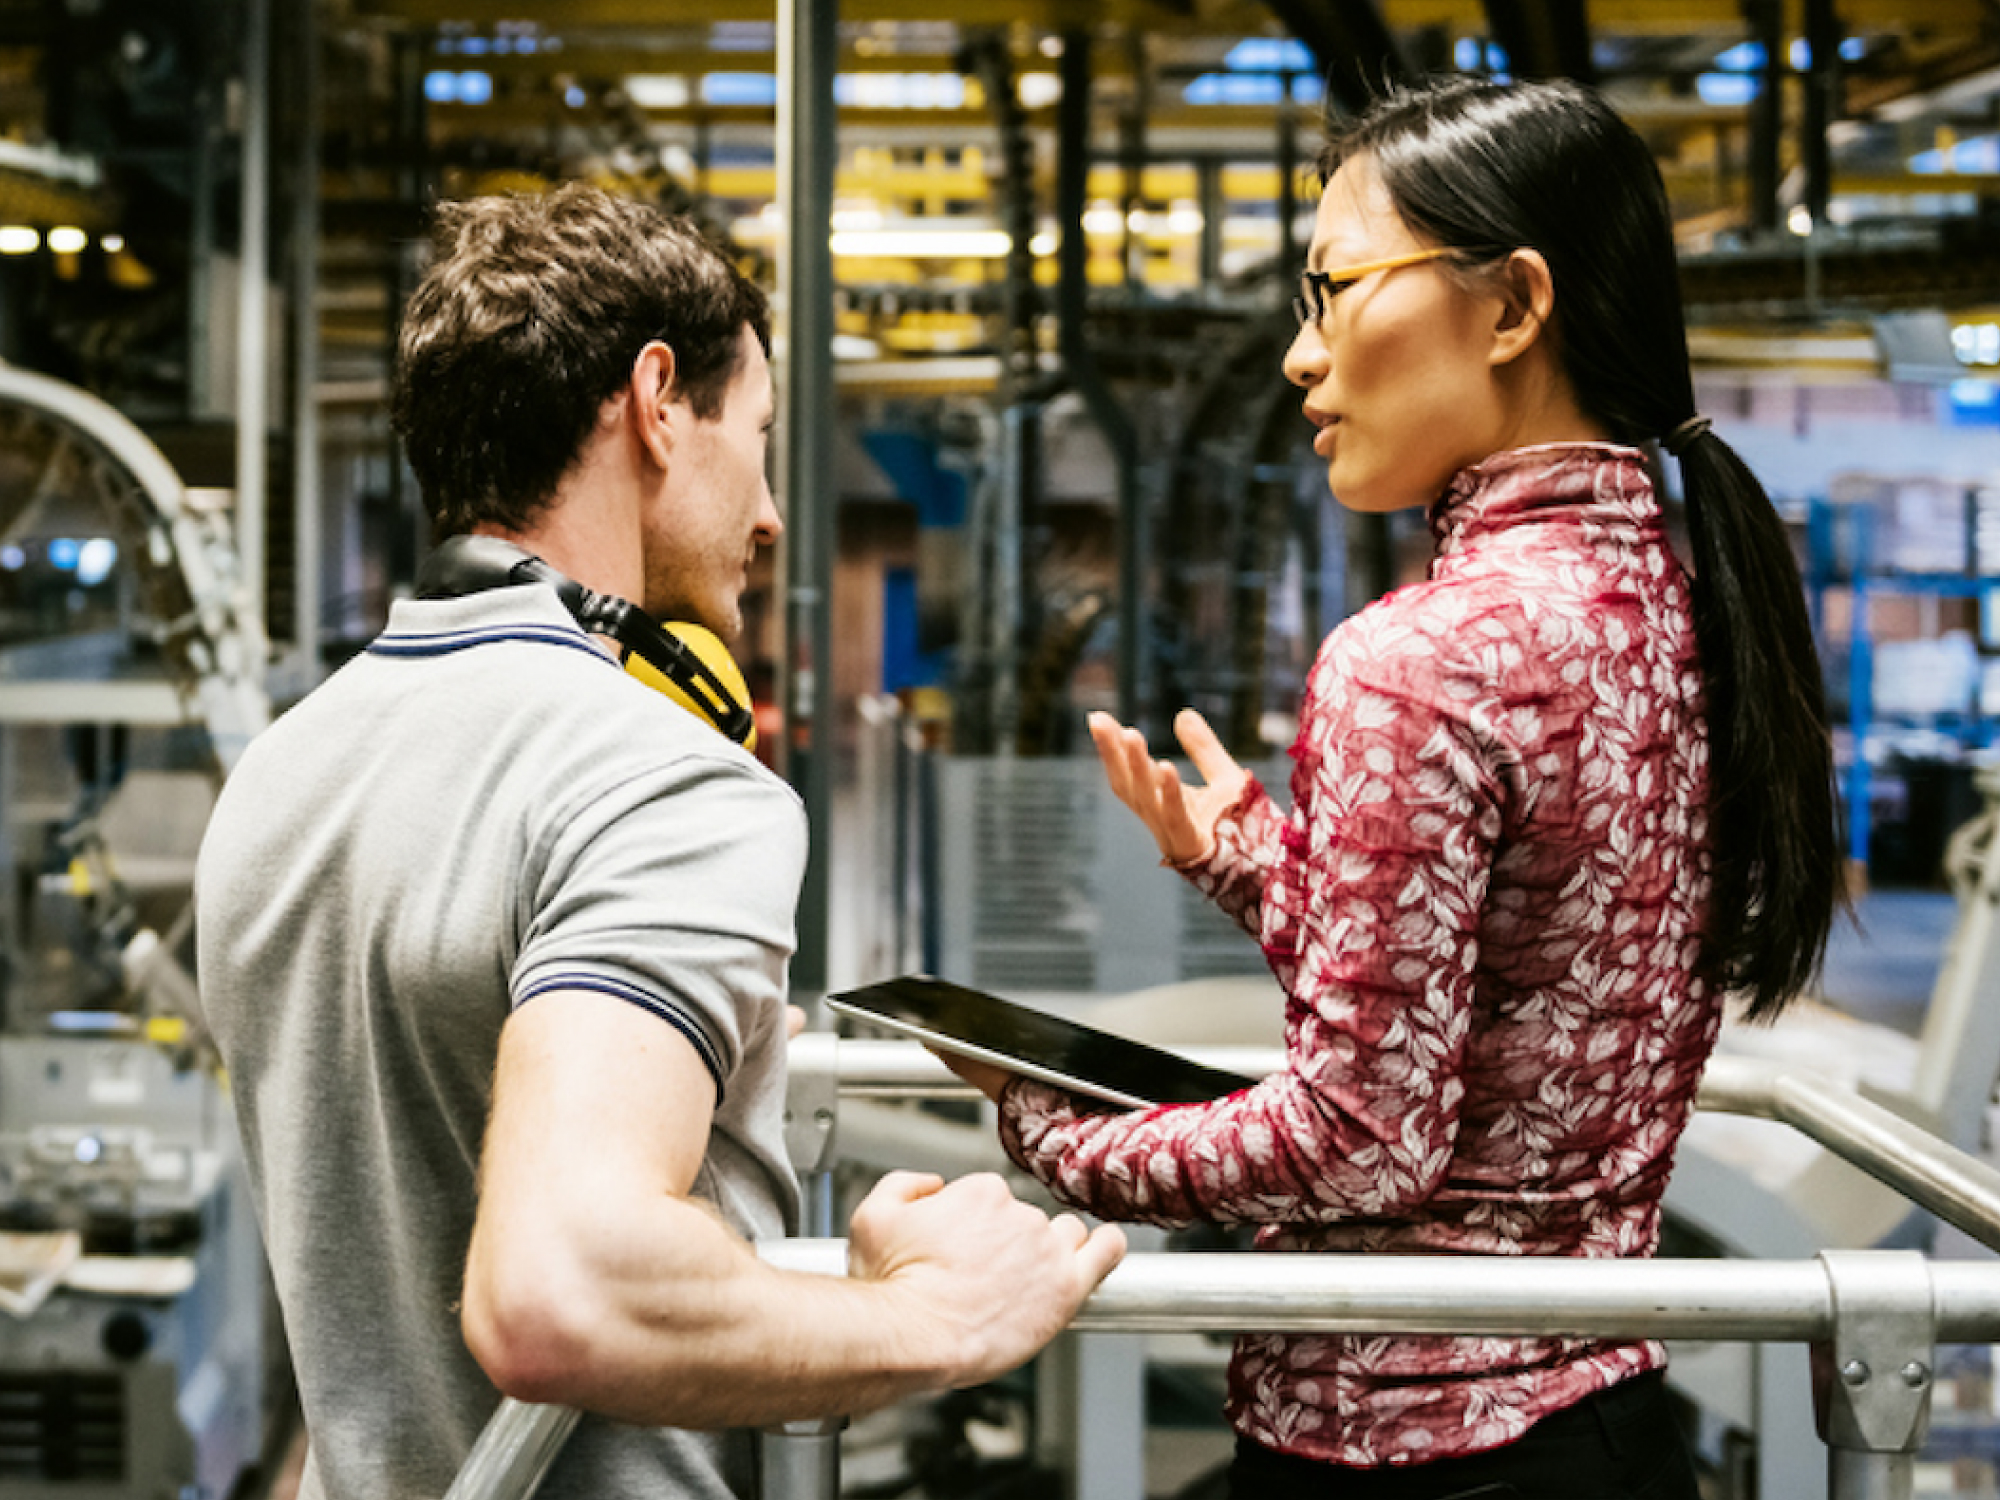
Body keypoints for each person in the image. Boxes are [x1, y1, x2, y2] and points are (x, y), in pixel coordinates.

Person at [941, 75, 1841, 1498]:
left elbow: (1362, 1142)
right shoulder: (1688, 610)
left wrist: (1053, 1131)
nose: (1301, 357)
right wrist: (1252, 860)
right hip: (1599, 1431)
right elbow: (1517, 1002)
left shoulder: (1419, 660)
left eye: (1332, 289)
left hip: (1409, 1454)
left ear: (1509, 306)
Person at [194, 182, 1123, 1500]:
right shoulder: (664, 785)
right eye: (759, 437)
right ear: (657, 400)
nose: (771, 516)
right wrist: (933, 1319)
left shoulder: (283, 773)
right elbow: (557, 1293)